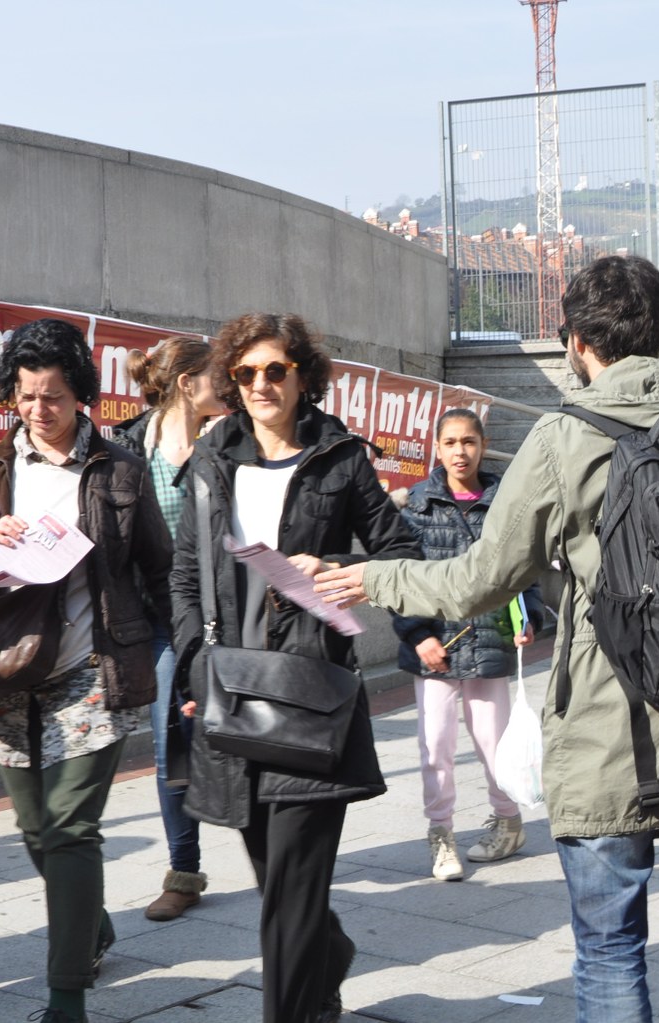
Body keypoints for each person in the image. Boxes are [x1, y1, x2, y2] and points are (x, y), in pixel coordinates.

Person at [316, 256, 659, 1022]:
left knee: (611, 948)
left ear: (577, 341)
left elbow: (475, 581)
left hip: (608, 733)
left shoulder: (562, 438)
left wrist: (374, 579)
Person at [170, 312, 420, 1023]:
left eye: (275, 370)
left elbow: (401, 553)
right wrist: (194, 664)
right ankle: (329, 954)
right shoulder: (213, 455)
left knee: (287, 897)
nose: (259, 385)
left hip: (310, 691)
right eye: (244, 373)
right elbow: (186, 573)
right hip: (231, 690)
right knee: (278, 881)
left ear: (303, 375)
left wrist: (336, 566)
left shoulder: (339, 457)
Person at [0, 318, 171, 1023]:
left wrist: (184, 658)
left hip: (92, 668)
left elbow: (159, 567)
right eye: (26, 397)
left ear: (81, 396)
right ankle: (89, 920)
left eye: (53, 398)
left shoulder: (120, 468)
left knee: (68, 828)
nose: (38, 411)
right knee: (35, 828)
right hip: (4, 672)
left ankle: (67, 994)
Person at [391, 409, 543, 882]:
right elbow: (400, 577)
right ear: (437, 448)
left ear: (483, 444)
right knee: (435, 746)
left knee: (493, 744)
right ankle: (441, 836)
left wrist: (530, 618)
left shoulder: (505, 502)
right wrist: (418, 636)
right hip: (434, 649)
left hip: (490, 642)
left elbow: (525, 570)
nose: (461, 451)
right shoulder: (417, 504)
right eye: (451, 442)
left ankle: (509, 822)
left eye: (470, 442)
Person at [112, 336, 226, 921]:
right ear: (188, 383)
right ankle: (185, 871)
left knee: (247, 739)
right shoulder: (129, 447)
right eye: (218, 375)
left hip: (227, 621)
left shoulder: (231, 443)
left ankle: (278, 855)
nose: (230, 385)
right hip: (161, 624)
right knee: (169, 750)